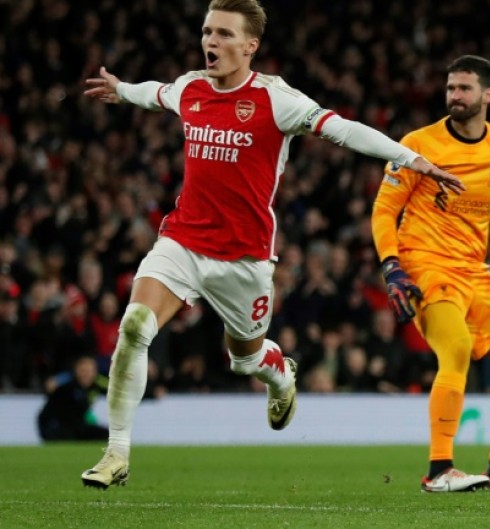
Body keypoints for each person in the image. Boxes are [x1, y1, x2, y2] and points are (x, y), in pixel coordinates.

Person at [79, 0, 464, 490]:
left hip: (244, 258)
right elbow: (153, 94)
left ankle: (280, 373)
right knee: (134, 326)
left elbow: (342, 130)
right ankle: (117, 453)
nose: (210, 43)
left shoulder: (274, 99)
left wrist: (415, 161)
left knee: (245, 358)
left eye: (222, 34)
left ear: (250, 46)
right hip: (183, 240)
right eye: (206, 32)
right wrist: (120, 90)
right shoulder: (191, 87)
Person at [371, 55, 490, 492]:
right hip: (425, 265)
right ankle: (439, 470)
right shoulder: (418, 143)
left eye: (464, 89)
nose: (454, 96)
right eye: (451, 88)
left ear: (488, 95)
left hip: (474, 272)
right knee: (454, 348)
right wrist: (391, 266)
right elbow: (384, 211)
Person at [37, 355, 110, 442]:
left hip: (77, 426)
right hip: (55, 425)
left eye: (90, 371)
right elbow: (49, 389)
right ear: (76, 371)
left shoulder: (96, 385)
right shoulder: (66, 386)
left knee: (107, 436)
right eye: (83, 371)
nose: (86, 374)